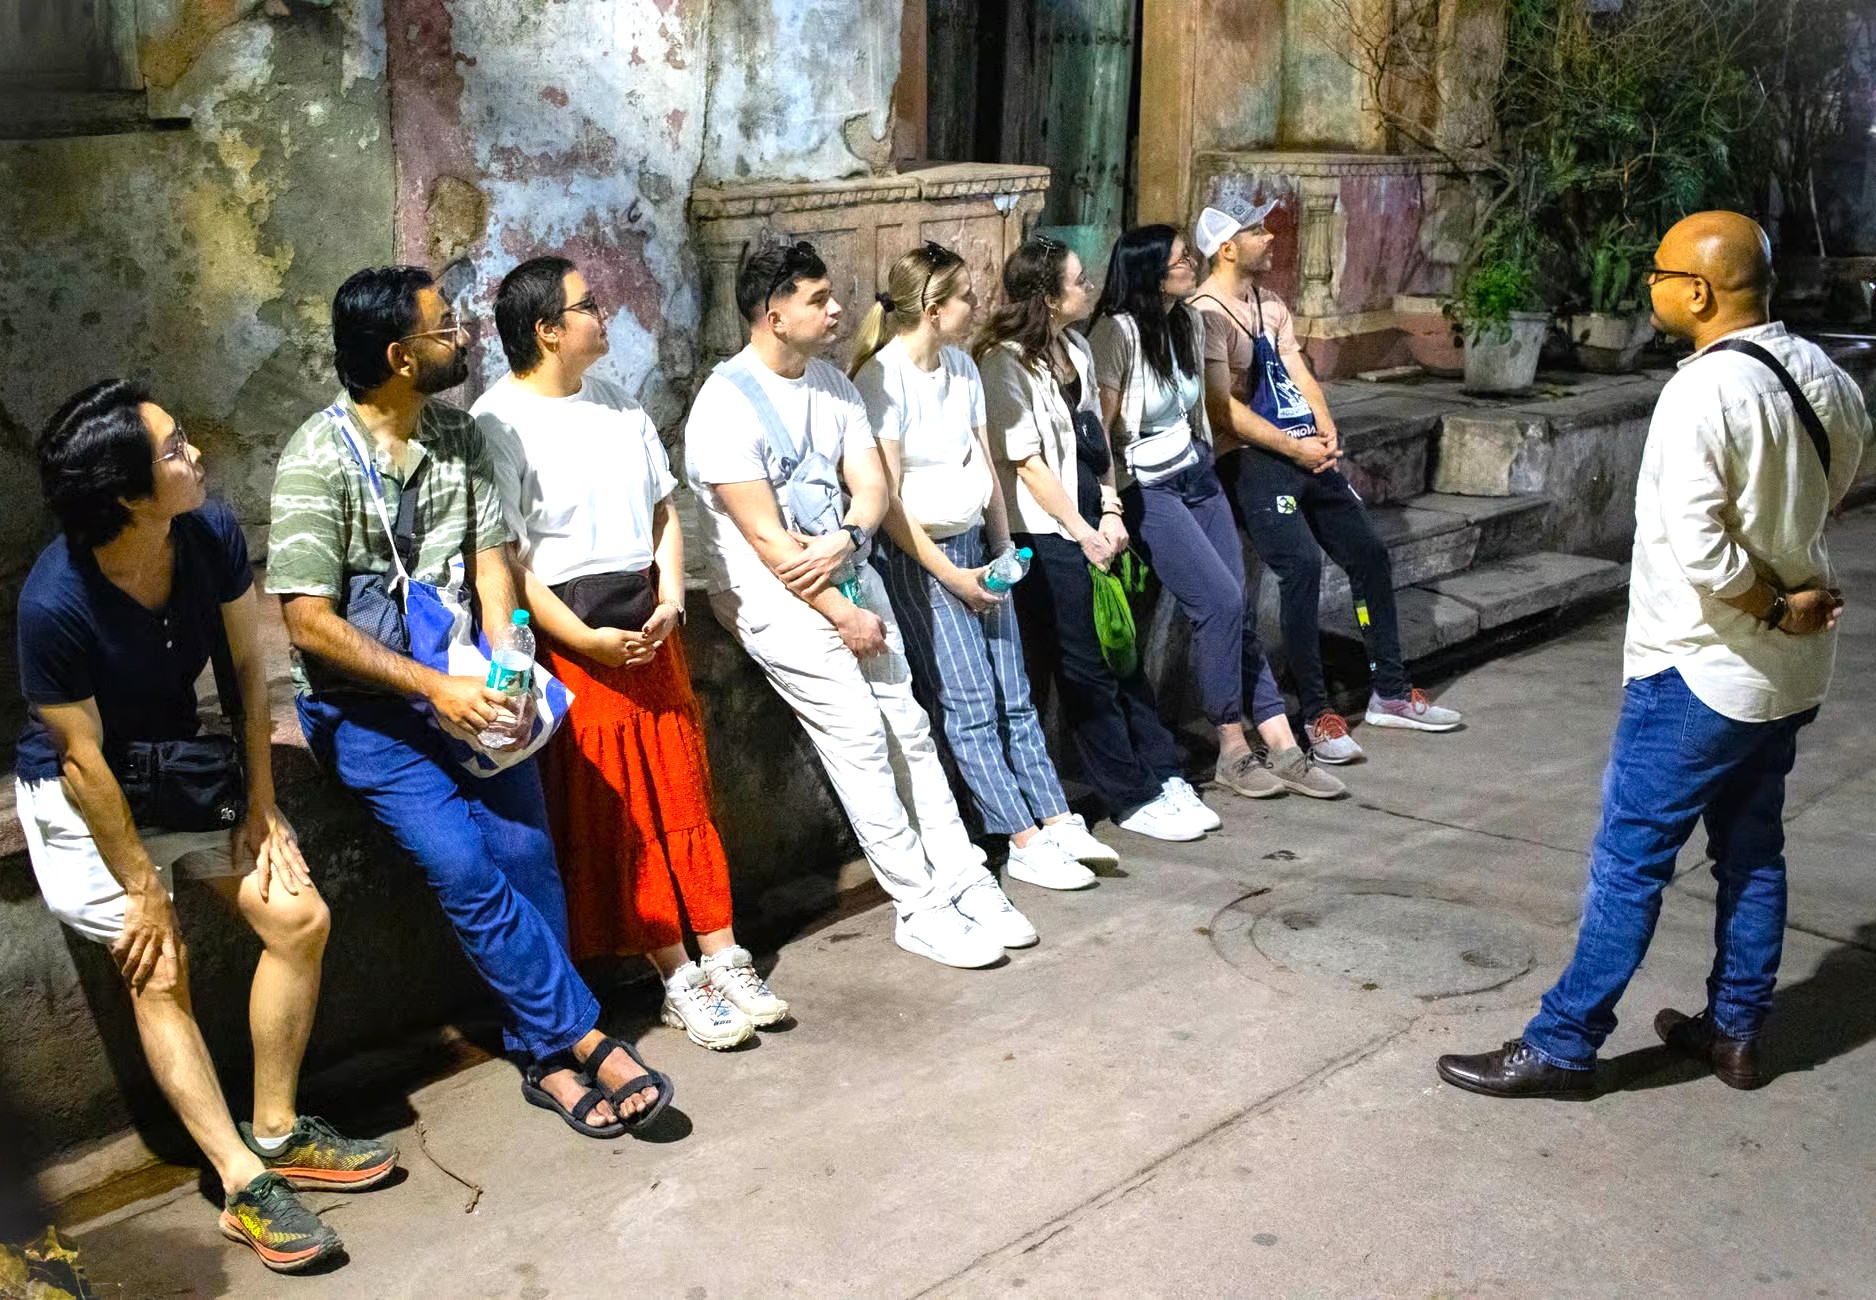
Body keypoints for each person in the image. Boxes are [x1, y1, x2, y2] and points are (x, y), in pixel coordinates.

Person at [1436, 211, 1872, 1098]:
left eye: (1662, 272)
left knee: (1630, 862)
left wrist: (1774, 608)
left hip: (1702, 669)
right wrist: (1788, 581)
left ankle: (1564, 1044)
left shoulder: (1702, 392)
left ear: (1701, 293)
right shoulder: (1822, 371)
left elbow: (1704, 552)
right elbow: (1844, 473)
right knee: (1752, 850)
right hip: (1787, 677)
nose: (1651, 285)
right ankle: (1737, 1031)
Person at [268, 266, 672, 1140]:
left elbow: (493, 566)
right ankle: (585, 1037)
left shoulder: (460, 436)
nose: (463, 337)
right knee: (463, 867)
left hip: (469, 688)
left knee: (528, 853)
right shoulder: (317, 459)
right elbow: (306, 621)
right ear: (396, 355)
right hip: (369, 714)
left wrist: (504, 668)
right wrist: (432, 688)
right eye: (442, 328)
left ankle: (542, 1056)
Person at [16, 380, 396, 1274]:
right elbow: (83, 762)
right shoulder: (54, 603)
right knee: (160, 967)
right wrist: (142, 888)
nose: (197, 456)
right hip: (84, 797)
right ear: (125, 495)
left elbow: (244, 667)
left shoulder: (208, 533)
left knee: (299, 917)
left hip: (177, 770)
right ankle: (240, 1184)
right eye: (175, 450)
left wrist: (263, 806)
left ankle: (274, 1131)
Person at [684, 239, 1034, 968]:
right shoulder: (724, 405)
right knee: (860, 736)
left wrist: (847, 538)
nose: (838, 307)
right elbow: (769, 545)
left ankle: (965, 875)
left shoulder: (833, 388)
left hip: (844, 569)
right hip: (768, 597)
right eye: (818, 299)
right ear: (773, 314)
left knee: (908, 726)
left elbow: (872, 488)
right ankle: (920, 901)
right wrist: (844, 613)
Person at [473, 255, 785, 1052]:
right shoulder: (497, 422)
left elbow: (662, 510)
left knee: (681, 791)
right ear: (547, 331)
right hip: (577, 636)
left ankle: (723, 952)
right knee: (622, 808)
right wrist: (577, 640)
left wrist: (673, 600)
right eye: (588, 306)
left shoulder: (617, 405)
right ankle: (676, 972)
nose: (603, 314)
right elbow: (507, 555)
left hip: (648, 622)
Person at [848, 241, 1117, 892]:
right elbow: (888, 502)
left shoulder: (962, 369)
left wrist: (1003, 552)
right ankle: (1016, 834)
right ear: (934, 309)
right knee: (968, 703)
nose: (977, 305)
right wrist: (952, 575)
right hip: (925, 559)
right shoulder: (881, 379)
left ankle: (1052, 816)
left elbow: (986, 468)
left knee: (1014, 692)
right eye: (966, 296)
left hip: (977, 547)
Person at [1191, 196, 1462, 764]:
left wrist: (1327, 432)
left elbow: (1300, 374)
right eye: (1257, 231)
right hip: (1253, 458)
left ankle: (1390, 690)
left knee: (1368, 554)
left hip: (1304, 452)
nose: (1270, 237)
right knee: (1301, 567)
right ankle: (1315, 714)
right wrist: (1293, 445)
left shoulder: (1271, 304)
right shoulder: (1206, 315)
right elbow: (1222, 410)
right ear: (1227, 248)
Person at [1090, 225, 1345, 802]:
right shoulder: (1117, 334)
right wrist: (1108, 503)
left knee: (1240, 611)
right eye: (1182, 259)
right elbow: (1102, 433)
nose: (1192, 264)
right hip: (1147, 488)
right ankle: (1232, 745)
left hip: (1195, 476)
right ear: (1152, 270)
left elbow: (1209, 407)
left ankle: (1281, 745)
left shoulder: (1189, 322)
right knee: (1222, 602)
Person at [976, 237, 1214, 842]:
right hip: (1043, 531)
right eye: (1077, 281)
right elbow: (1027, 463)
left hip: (1089, 517)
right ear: (1048, 297)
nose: (1088, 287)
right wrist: (1081, 532)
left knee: (1121, 652)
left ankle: (1161, 772)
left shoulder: (1077, 348)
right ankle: (1128, 793)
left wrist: (1109, 508)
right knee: (1084, 667)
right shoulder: (1005, 364)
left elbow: (1095, 442)